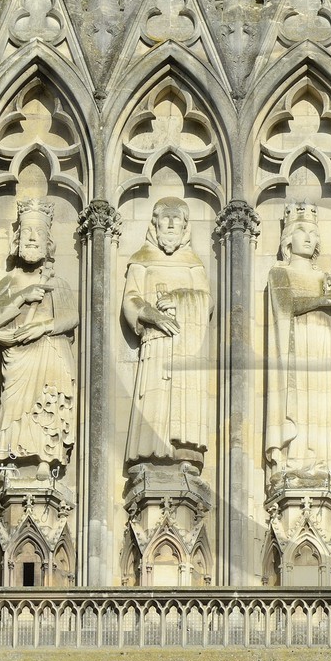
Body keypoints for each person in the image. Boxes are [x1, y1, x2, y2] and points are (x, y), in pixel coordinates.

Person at [264, 203, 331, 483]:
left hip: (322, 344)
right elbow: (285, 306)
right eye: (301, 231)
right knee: (299, 402)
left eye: (313, 233)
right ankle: (296, 460)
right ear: (287, 240)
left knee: (321, 403)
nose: (308, 238)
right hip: (296, 349)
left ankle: (322, 462)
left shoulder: (323, 279)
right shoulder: (279, 274)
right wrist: (328, 300)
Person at [0, 198, 78, 476]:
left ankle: (44, 460)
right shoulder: (10, 283)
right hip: (19, 358)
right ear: (16, 241)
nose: (31, 238)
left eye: (38, 234)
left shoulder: (56, 283)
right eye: (26, 233)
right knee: (15, 407)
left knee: (47, 404)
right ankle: (11, 459)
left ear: (48, 244)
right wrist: (23, 297)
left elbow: (71, 317)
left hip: (50, 353)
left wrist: (44, 327)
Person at [124, 198, 212, 467]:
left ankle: (186, 453)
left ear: (186, 227)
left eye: (178, 219)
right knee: (154, 396)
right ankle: (149, 454)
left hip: (185, 344)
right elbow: (131, 297)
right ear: (155, 223)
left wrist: (179, 300)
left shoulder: (193, 263)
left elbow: (206, 300)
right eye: (166, 218)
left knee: (185, 400)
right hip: (156, 341)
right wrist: (150, 313)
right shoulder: (142, 260)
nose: (172, 223)